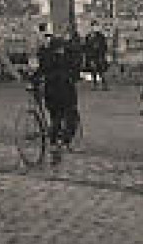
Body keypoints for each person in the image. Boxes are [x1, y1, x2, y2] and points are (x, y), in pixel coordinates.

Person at [32, 34, 79, 163]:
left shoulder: (48, 58)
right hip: (65, 93)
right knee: (66, 116)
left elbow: (40, 72)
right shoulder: (67, 58)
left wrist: (33, 82)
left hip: (51, 93)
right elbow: (74, 73)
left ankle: (54, 143)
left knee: (55, 117)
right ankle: (61, 142)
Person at [83, 23, 110, 90]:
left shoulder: (101, 36)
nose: (94, 28)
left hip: (99, 56)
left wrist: (102, 53)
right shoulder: (88, 36)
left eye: (95, 26)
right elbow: (86, 47)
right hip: (91, 56)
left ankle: (104, 84)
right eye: (93, 26)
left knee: (101, 71)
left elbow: (104, 46)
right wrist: (87, 55)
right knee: (93, 70)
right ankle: (95, 84)